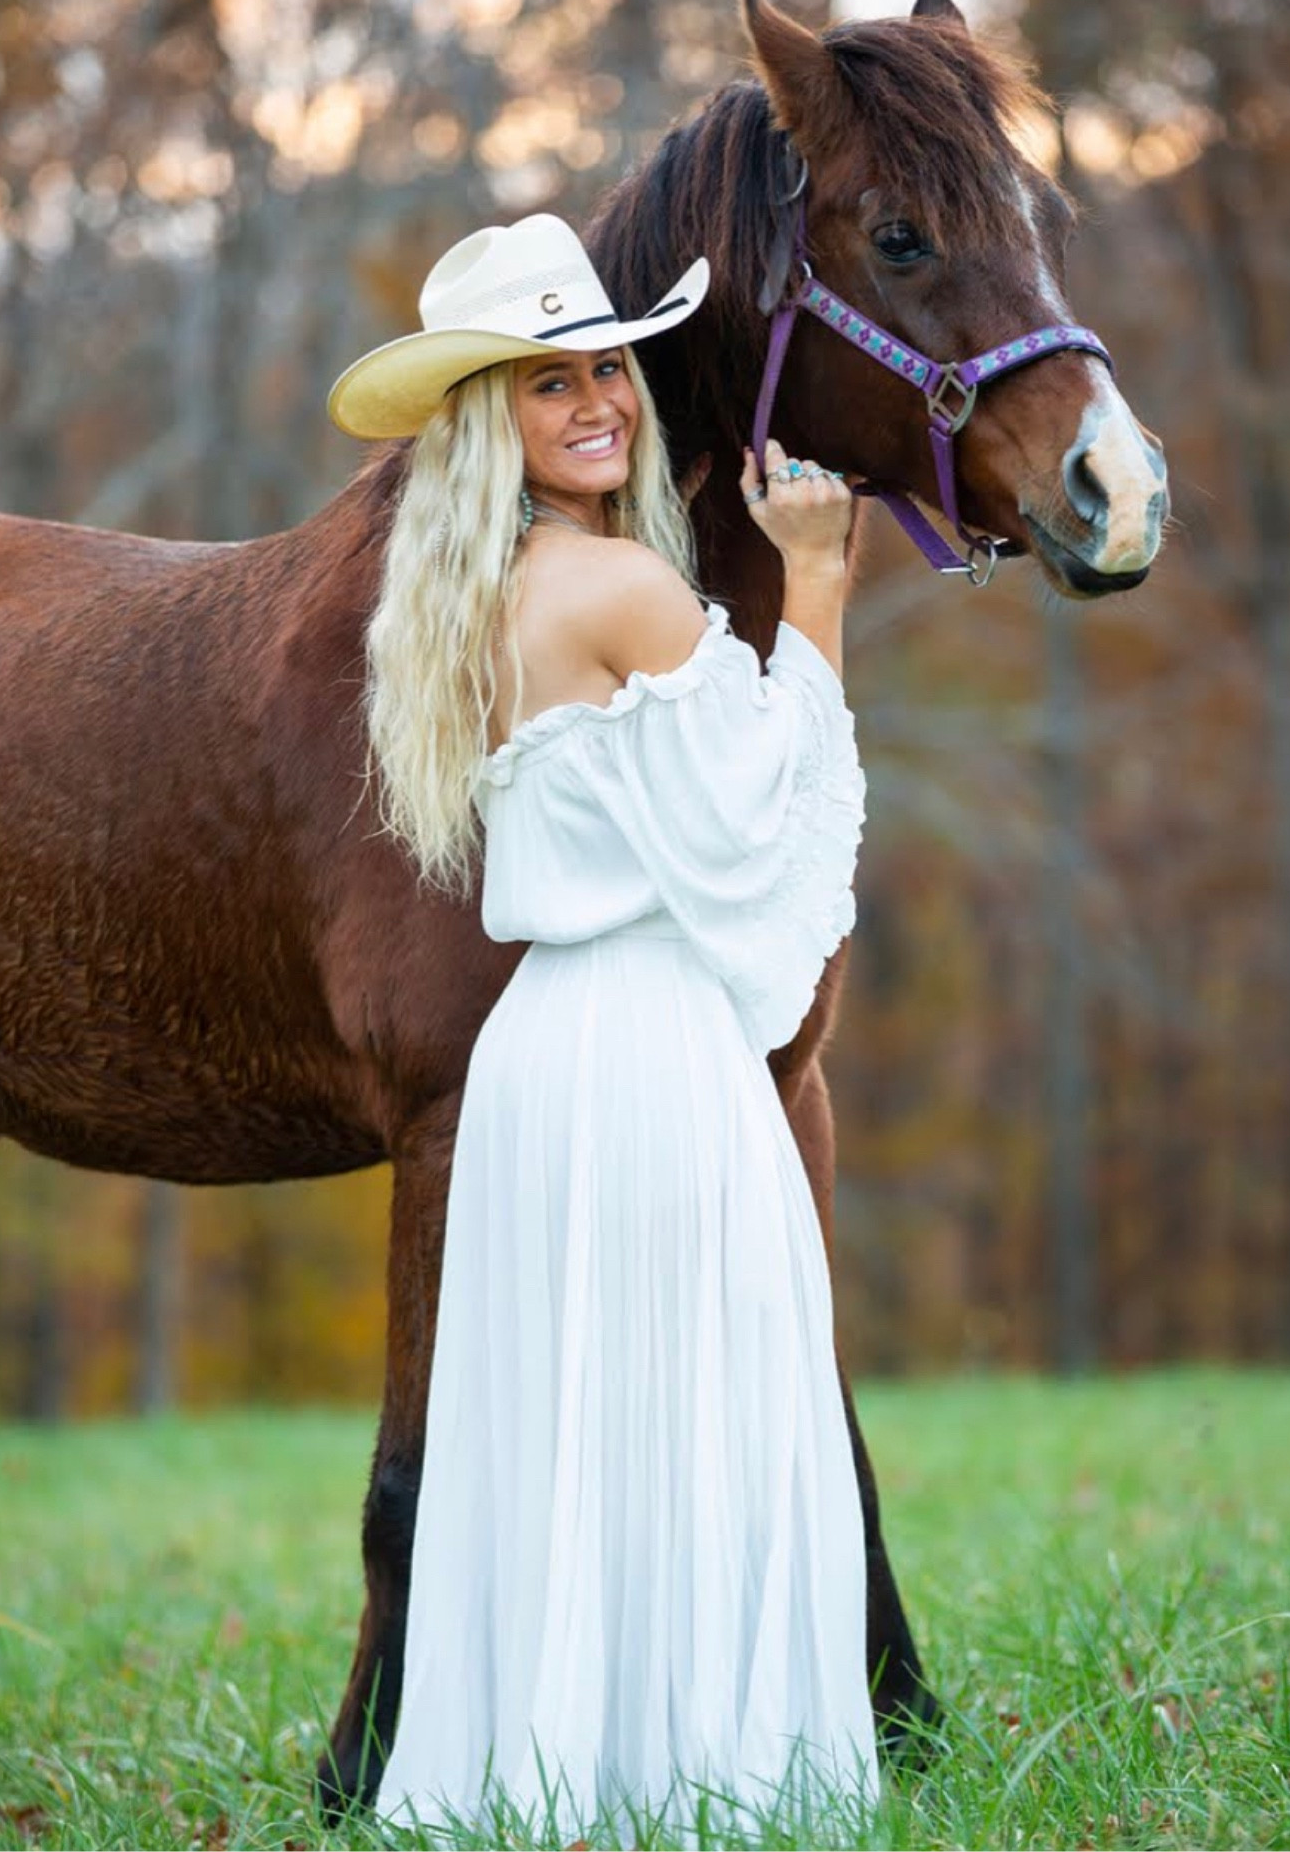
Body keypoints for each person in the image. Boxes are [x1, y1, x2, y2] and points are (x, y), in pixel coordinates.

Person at [327, 212, 877, 1842]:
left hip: (542, 1068)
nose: (599, 402)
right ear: (486, 414)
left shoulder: (452, 605)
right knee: (697, 1412)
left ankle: (557, 1755)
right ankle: (701, 1768)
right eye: (547, 379)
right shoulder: (625, 587)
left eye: (611, 368)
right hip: (647, 1055)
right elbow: (769, 813)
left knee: (562, 1425)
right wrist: (823, 578)